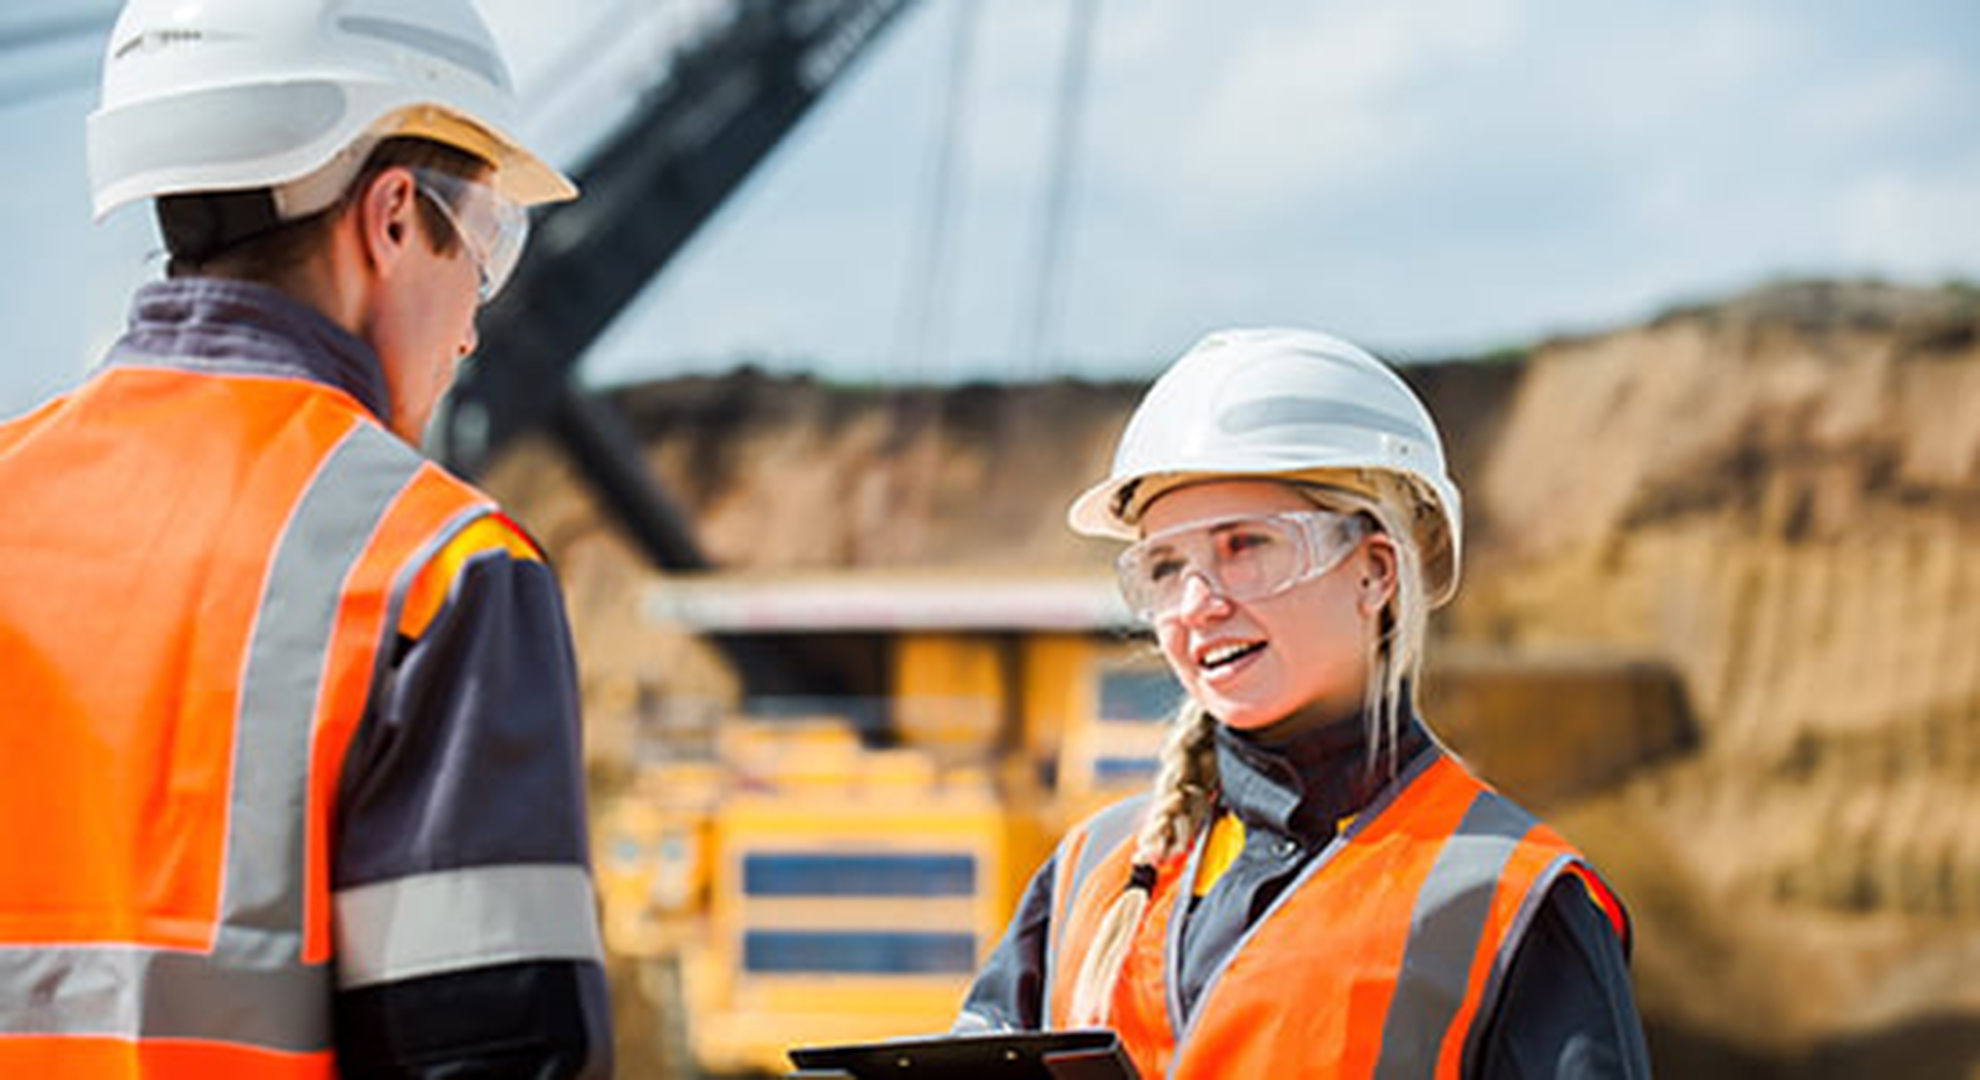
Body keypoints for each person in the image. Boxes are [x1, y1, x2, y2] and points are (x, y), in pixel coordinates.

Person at [0, 0, 611, 1075]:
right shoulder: (434, 569)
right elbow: (494, 1055)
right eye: (483, 246)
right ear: (387, 217)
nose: (473, 322)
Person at [957, 329, 1650, 1078]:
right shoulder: (1088, 875)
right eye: (1164, 566)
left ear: (1376, 570)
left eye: (1246, 546)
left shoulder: (1510, 898)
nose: (1196, 603)